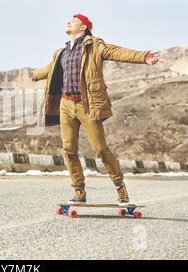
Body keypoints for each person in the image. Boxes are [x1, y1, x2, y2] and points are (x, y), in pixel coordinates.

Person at [30, 14, 160, 205]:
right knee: (69, 150)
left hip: (87, 104)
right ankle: (79, 191)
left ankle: (120, 188)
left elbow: (117, 52)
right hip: (66, 105)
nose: (68, 22)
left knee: (101, 149)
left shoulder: (94, 46)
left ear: (83, 27)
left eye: (73, 20)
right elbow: (52, 68)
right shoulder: (62, 52)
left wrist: (143, 56)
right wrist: (37, 74)